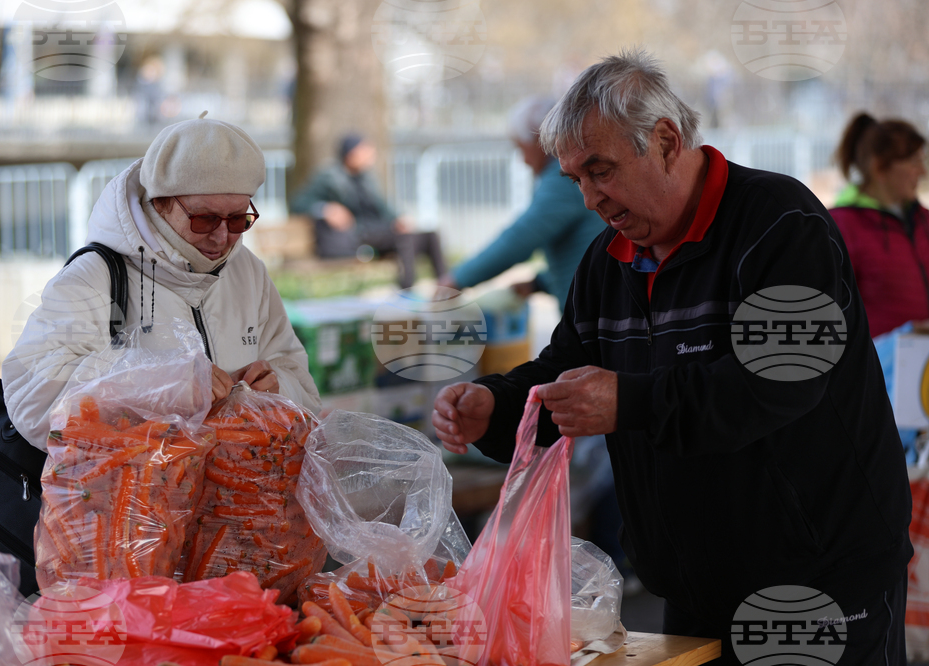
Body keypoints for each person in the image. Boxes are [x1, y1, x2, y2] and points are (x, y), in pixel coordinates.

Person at [432, 50, 912, 665]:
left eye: (599, 170)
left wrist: (627, 401)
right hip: (692, 586)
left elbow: (781, 383)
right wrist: (494, 407)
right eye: (574, 179)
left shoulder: (780, 223)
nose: (588, 199)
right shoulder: (608, 260)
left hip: (815, 580)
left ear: (664, 141)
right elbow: (566, 373)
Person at [4, 112, 321, 450]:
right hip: (135, 498)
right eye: (205, 219)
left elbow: (300, 381)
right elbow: (33, 401)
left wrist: (277, 388)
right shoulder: (96, 275)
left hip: (237, 496)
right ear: (161, 204)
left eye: (239, 219)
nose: (222, 236)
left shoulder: (249, 271)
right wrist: (158, 385)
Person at [437, 96, 607, 311]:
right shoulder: (569, 173)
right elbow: (584, 251)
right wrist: (539, 283)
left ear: (540, 141)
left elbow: (522, 237)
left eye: (521, 148)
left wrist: (456, 280)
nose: (523, 160)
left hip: (591, 317)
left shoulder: (565, 177)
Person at [290, 133, 447, 289]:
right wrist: (326, 209)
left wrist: (398, 219)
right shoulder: (328, 178)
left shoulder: (366, 179)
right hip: (356, 234)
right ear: (351, 154)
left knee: (430, 236)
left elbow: (383, 207)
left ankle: (446, 287)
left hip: (377, 231)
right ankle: (407, 291)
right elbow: (298, 204)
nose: (370, 156)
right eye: (365, 152)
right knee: (404, 238)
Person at [830, 112, 928, 339]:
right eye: (914, 162)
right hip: (877, 369)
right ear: (880, 168)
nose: (922, 172)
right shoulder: (840, 227)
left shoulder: (924, 221)